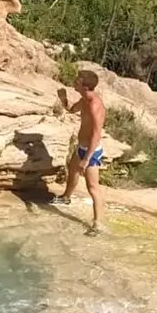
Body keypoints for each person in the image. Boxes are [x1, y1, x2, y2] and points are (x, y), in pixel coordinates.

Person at [50, 70, 108, 233]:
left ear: (85, 86)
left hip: (92, 151)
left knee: (92, 187)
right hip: (82, 147)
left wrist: (87, 159)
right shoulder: (84, 100)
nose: (74, 82)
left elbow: (97, 134)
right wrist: (63, 99)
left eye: (78, 81)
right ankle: (66, 197)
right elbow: (71, 109)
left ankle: (98, 224)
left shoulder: (94, 105)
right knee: (73, 169)